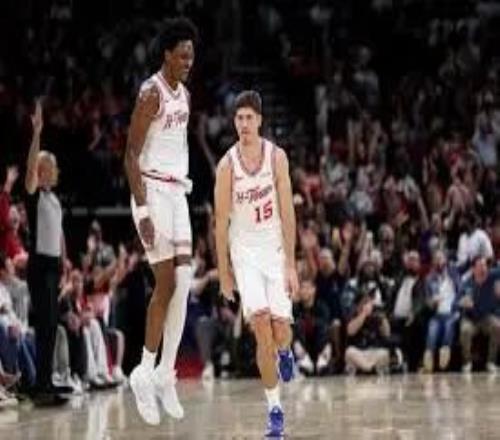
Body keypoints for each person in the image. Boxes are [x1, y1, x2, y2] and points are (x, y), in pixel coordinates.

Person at [124, 18, 198, 425]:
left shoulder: (185, 95)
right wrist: (142, 209)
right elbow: (130, 155)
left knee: (184, 282)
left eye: (192, 56)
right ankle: (143, 370)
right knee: (166, 283)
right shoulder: (151, 93)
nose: (188, 62)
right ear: (167, 55)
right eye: (183, 55)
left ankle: (165, 374)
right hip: (151, 191)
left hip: (177, 192)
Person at [214, 90, 299, 437]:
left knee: (280, 332)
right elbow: (220, 222)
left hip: (274, 249)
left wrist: (291, 265)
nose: (244, 124)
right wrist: (224, 273)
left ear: (260, 120)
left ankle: (286, 351)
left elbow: (288, 213)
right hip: (245, 253)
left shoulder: (277, 158)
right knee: (261, 328)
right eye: (239, 118)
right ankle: (275, 411)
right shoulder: (226, 166)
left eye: (250, 118)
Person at [24, 100, 70, 405]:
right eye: (50, 167)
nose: (55, 171)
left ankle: (47, 381)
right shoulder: (34, 195)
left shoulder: (53, 199)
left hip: (54, 266)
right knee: (44, 326)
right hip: (40, 266)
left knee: (52, 326)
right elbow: (29, 169)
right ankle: (41, 387)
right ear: (42, 171)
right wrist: (37, 133)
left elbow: (59, 233)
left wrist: (65, 262)